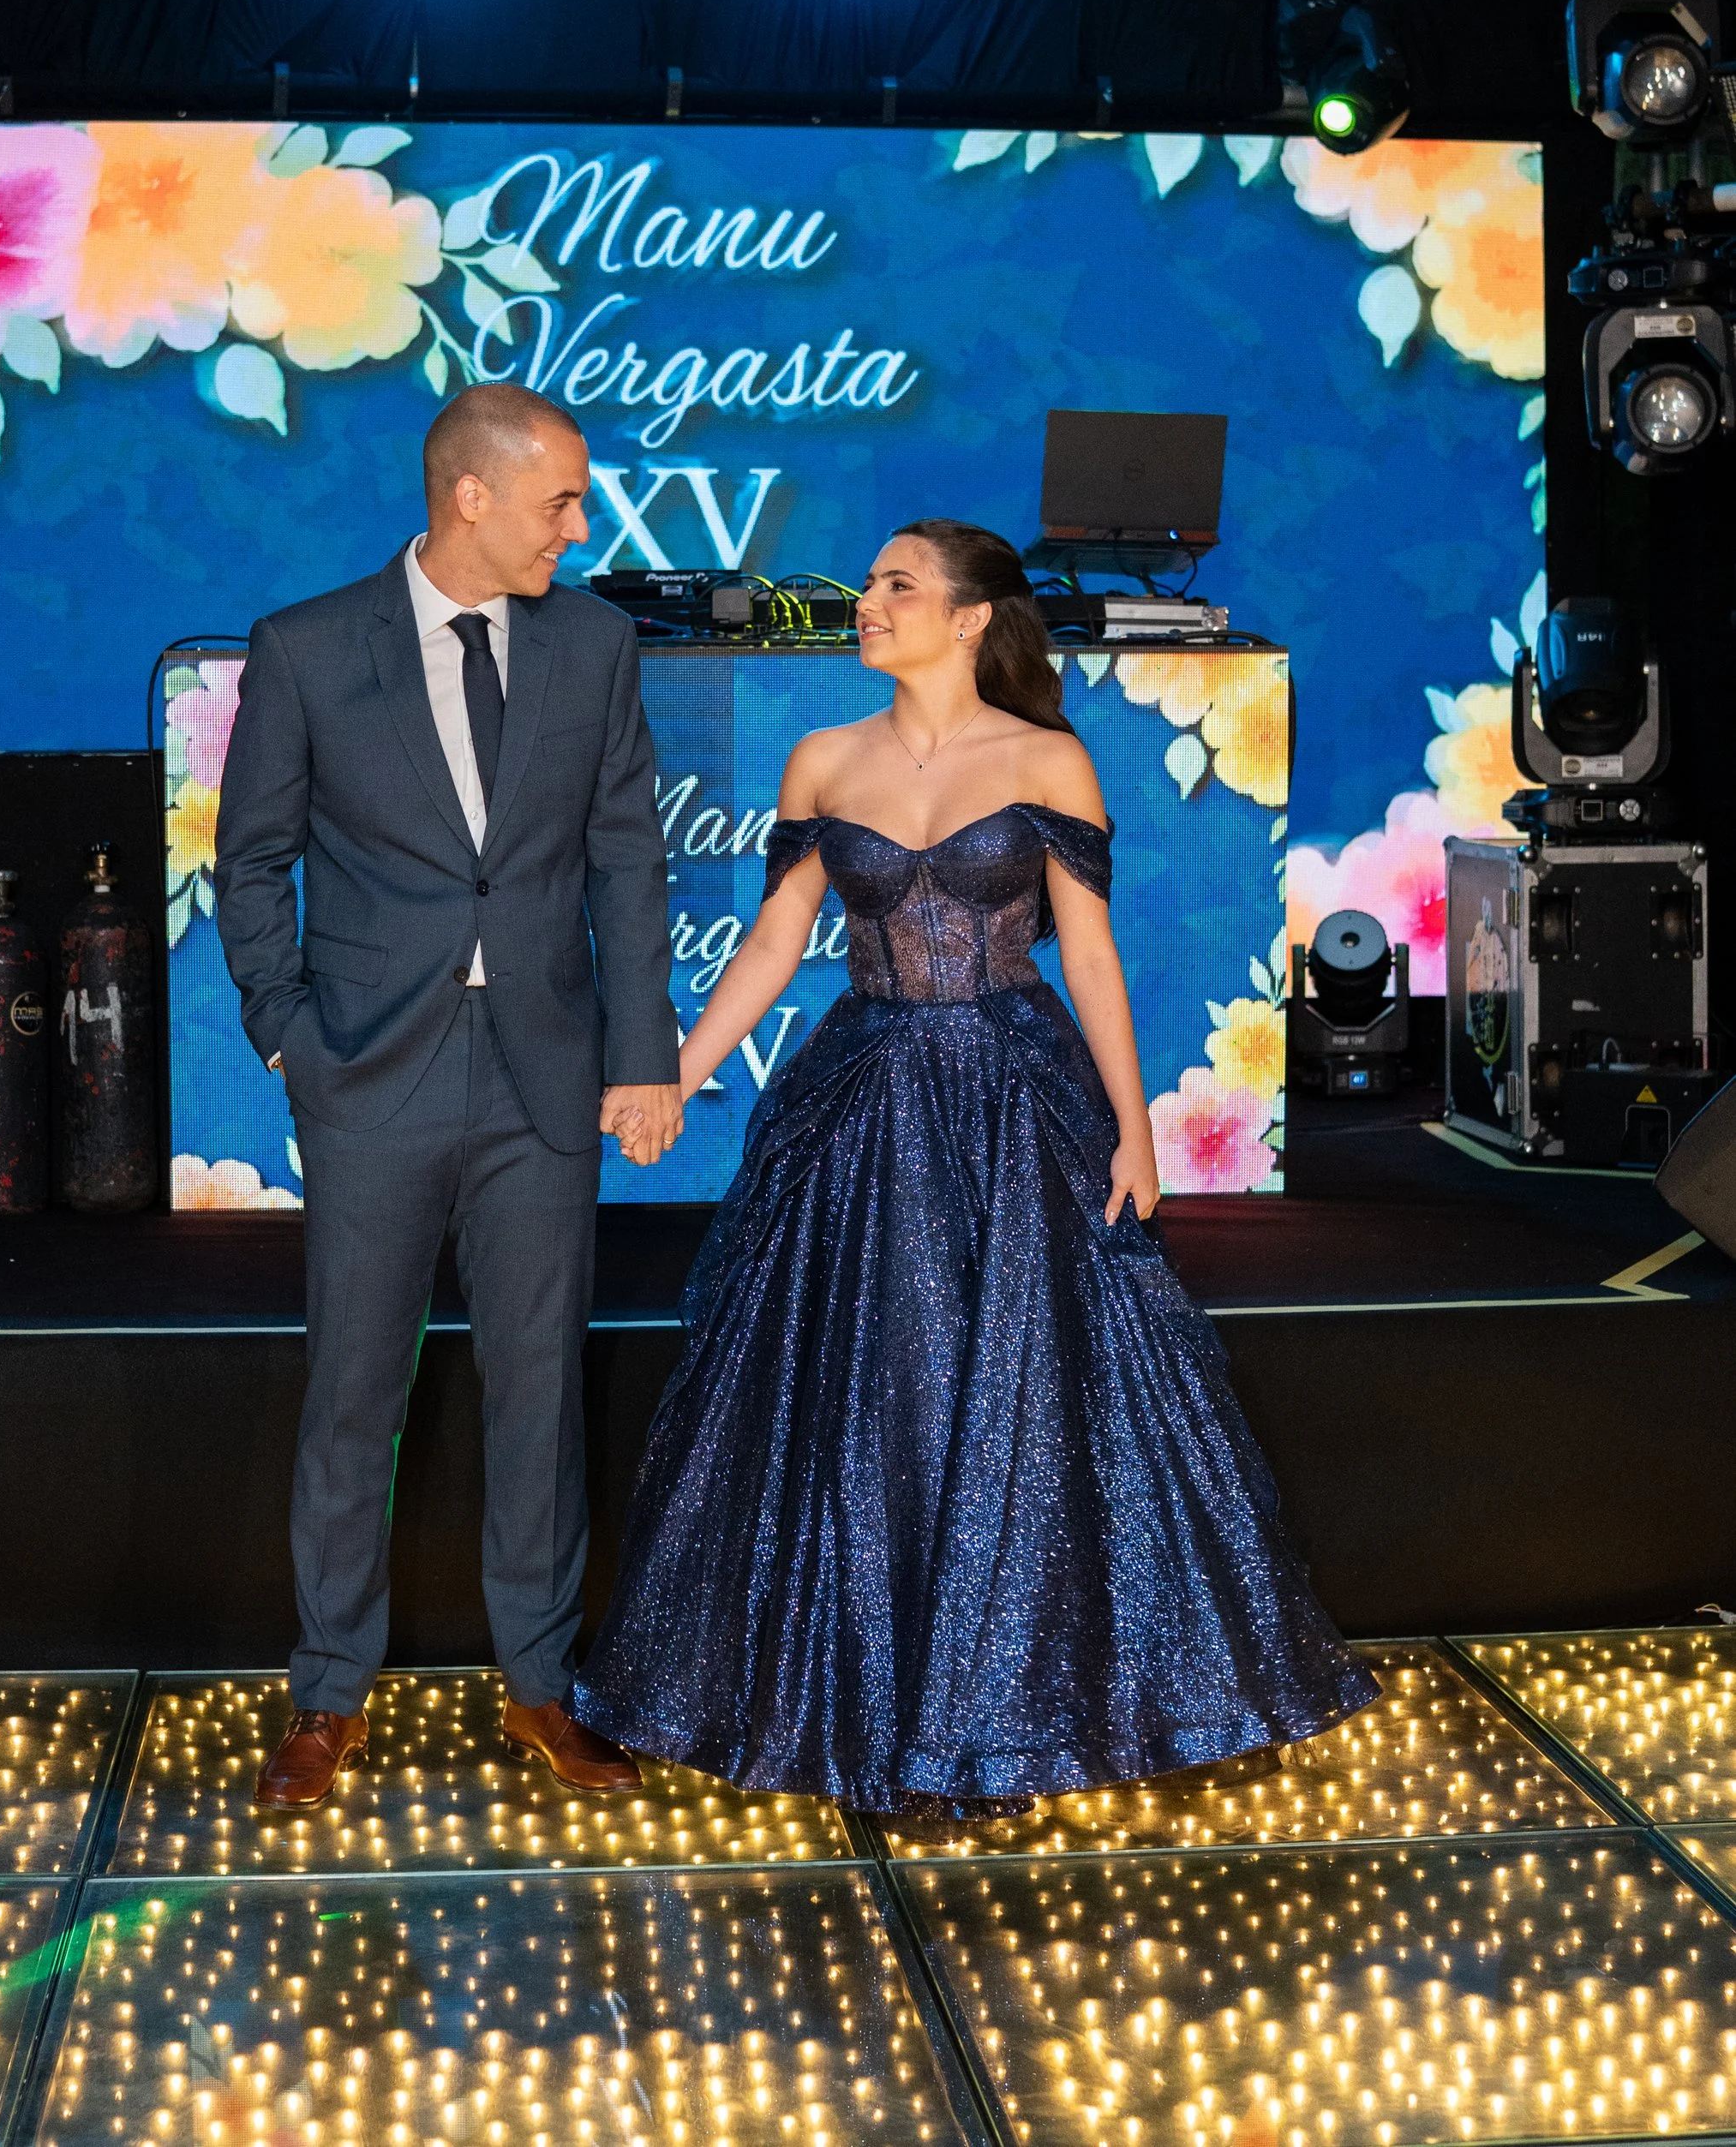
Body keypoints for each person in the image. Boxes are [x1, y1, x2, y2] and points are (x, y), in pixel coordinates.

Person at [574, 518, 1376, 1819]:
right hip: (866, 1092)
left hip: (1017, 1096)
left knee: (1027, 1389)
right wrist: (674, 1067)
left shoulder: (1049, 758)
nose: (868, 602)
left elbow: (1092, 955)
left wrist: (1136, 1123)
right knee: (866, 1384)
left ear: (968, 620)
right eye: (874, 581)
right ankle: (864, 1704)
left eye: (899, 585)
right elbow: (778, 943)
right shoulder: (825, 759)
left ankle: (1011, 1709)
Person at [213, 386, 685, 1812]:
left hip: (543, 1070)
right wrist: (288, 1033)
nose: (580, 525)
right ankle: (326, 1692)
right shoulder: (303, 647)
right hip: (369, 1073)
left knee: (539, 1390)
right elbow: (250, 865)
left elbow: (626, 860)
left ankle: (541, 1682)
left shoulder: (596, 643)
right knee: (357, 1389)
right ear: (469, 497)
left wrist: (643, 1054)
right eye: (561, 500)